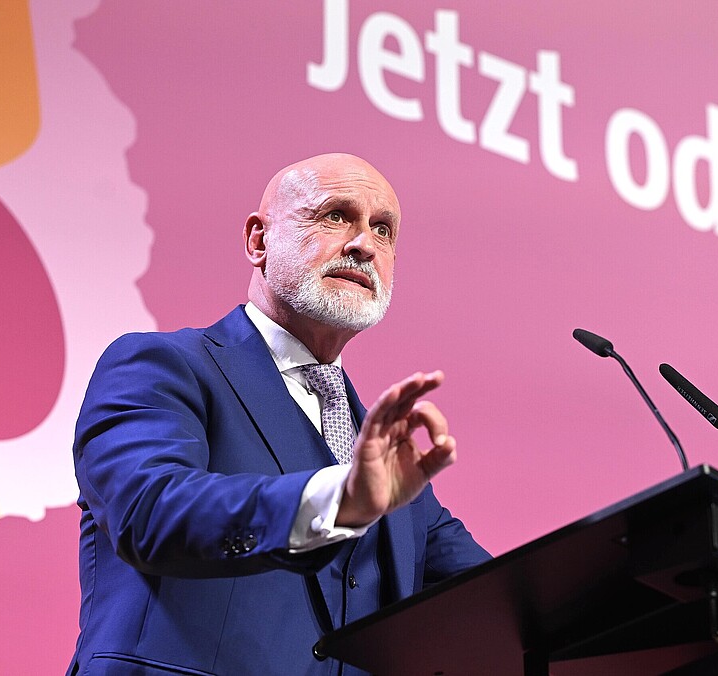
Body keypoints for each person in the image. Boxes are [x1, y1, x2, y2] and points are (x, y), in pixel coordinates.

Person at [68, 153, 490, 675]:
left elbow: (502, 602)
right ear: (258, 241)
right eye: (335, 216)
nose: (363, 244)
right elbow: (150, 513)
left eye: (383, 230)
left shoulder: (382, 458)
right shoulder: (161, 366)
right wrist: (340, 501)